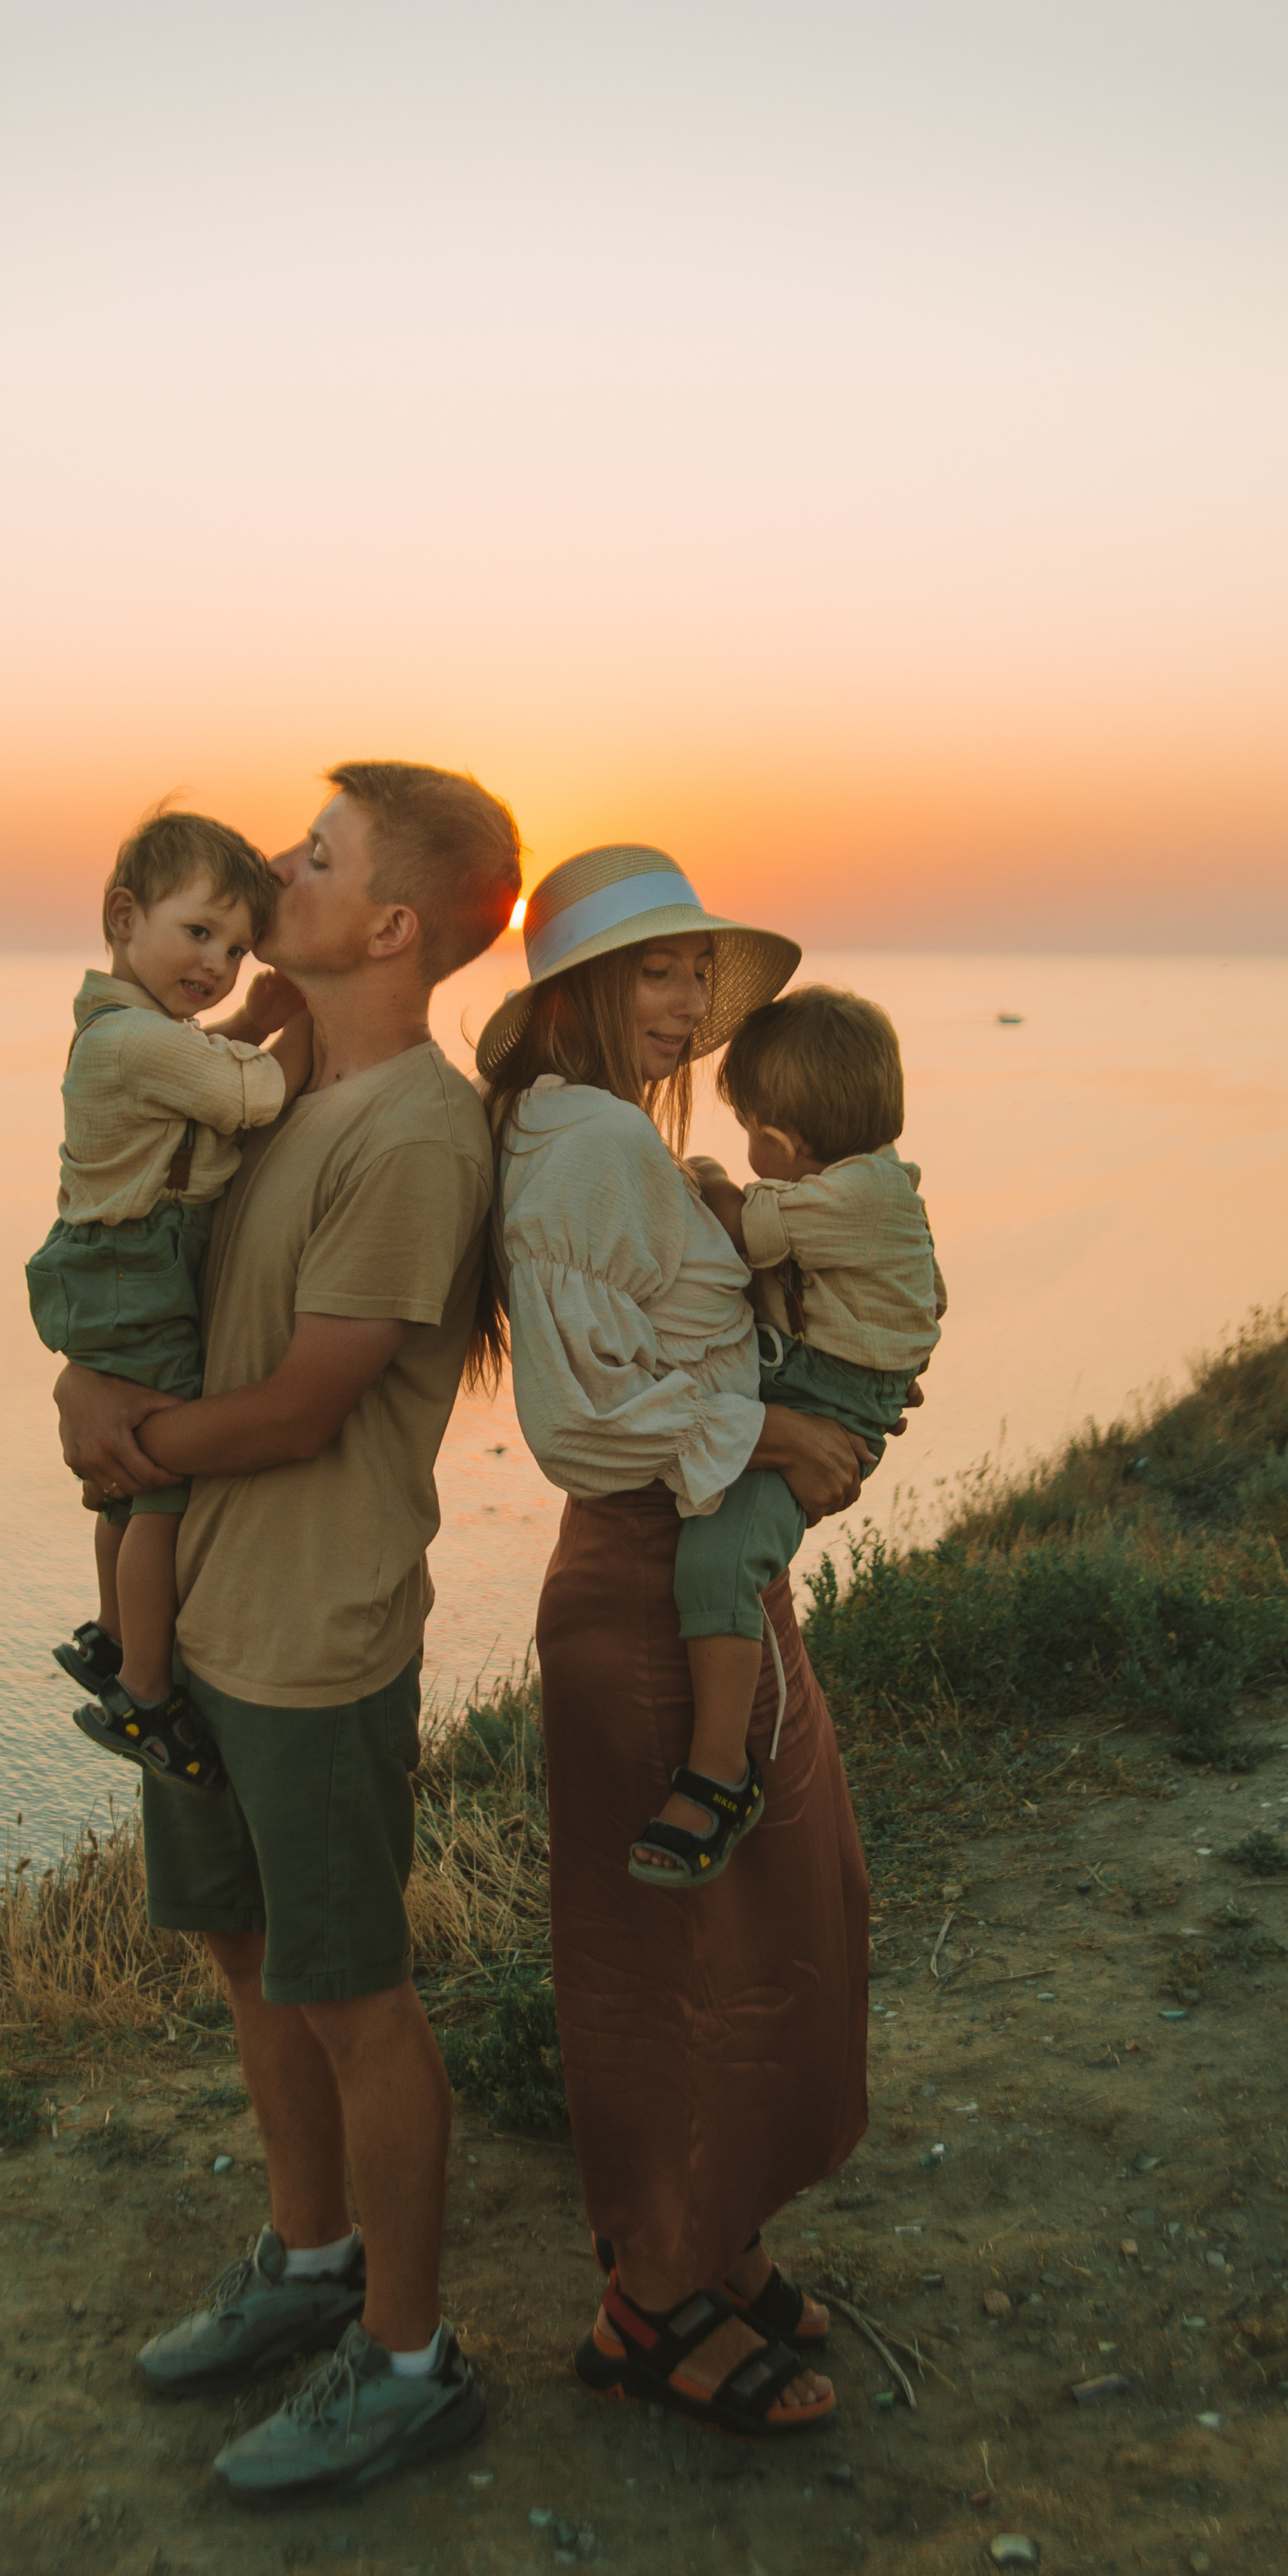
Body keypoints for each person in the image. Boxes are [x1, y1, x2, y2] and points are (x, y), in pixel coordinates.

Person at [54, 759, 522, 2503]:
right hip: (209, 1618)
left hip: (316, 1636)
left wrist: (127, 1440)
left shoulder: (412, 1131)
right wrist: (87, 1376)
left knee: (349, 1991)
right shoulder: (279, 1088)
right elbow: (154, 1279)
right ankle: (311, 2257)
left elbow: (309, 1400)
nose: (275, 865)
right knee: (246, 1953)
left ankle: (405, 2359)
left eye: (314, 855)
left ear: (391, 925)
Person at [480, 842, 879, 2439]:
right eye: (654, 966)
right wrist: (776, 1427)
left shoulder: (607, 1134)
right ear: (577, 986)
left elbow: (658, 1337)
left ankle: (714, 2239)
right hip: (647, 1589)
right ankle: (649, 2301)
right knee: (678, 1964)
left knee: (761, 1919)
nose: (687, 996)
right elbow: (578, 1416)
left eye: (695, 968)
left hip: (686, 1578)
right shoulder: (583, 1140)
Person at [23, 809, 310, 1785]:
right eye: (199, 932)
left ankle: (113, 1635)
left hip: (113, 1266)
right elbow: (248, 1094)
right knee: (160, 1487)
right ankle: (146, 1694)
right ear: (123, 916)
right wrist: (306, 1029)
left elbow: (201, 1066)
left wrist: (250, 1022)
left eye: (236, 949)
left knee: (122, 1480)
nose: (219, 963)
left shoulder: (128, 1031)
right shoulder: (135, 1043)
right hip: (134, 1268)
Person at [653, 984, 946, 1882]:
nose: (746, 1147)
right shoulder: (869, 1178)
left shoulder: (849, 1197)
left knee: (718, 1561)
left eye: (748, 1129)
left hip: (823, 1397)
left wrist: (702, 1176)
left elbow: (736, 1226)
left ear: (780, 1143)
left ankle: (719, 1771)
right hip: (820, 1375)